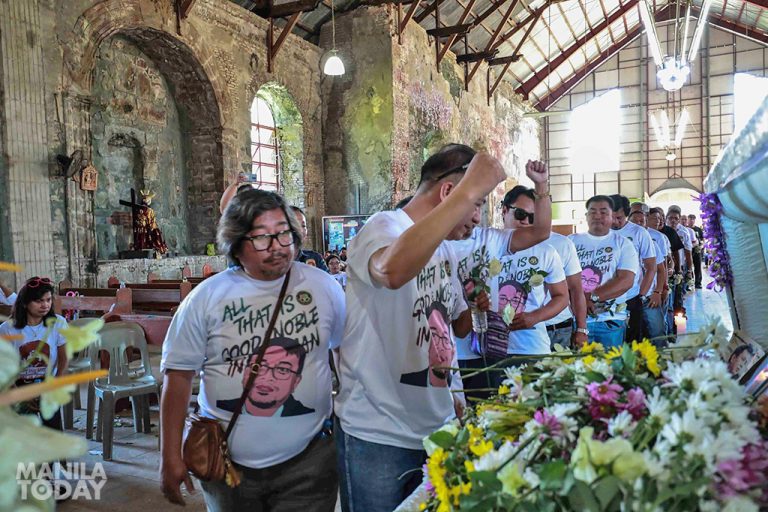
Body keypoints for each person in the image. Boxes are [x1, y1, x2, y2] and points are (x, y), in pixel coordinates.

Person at [335, 145, 550, 512]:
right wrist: (469, 190)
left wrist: (472, 305)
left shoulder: (447, 250)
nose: (477, 218)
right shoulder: (384, 226)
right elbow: (390, 271)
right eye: (477, 203)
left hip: (437, 423)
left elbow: (458, 328)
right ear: (450, 193)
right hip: (381, 433)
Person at [160, 190, 345, 510]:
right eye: (261, 237)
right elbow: (177, 378)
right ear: (236, 242)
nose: (277, 247)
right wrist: (169, 456)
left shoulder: (322, 286)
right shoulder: (206, 298)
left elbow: (343, 351)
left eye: (284, 233)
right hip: (228, 466)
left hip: (310, 461)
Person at [450, 179, 555, 396]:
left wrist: (541, 185)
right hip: (452, 351)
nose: (476, 216)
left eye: (479, 206)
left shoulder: (491, 239)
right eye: (470, 206)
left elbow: (541, 232)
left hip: (488, 349)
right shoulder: (435, 243)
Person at [494, 186, 568, 369]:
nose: (526, 221)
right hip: (487, 347)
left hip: (531, 347)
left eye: (533, 217)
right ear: (504, 210)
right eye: (520, 214)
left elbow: (562, 297)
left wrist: (535, 317)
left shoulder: (547, 252)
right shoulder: (485, 244)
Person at [568, 196, 638, 348]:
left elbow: (626, 280)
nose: (597, 216)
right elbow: (559, 278)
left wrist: (591, 297)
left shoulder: (623, 244)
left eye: (603, 212)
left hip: (609, 322)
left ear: (612, 216)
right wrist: (579, 301)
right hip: (572, 321)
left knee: (610, 369)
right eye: (592, 211)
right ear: (586, 216)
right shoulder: (570, 242)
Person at [0, 277, 68, 429]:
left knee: (53, 431)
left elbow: (64, 358)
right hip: (19, 385)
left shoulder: (58, 323)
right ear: (25, 303)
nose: (45, 305)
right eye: (38, 301)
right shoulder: (7, 329)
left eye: (48, 300)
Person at [609, 195, 656, 345]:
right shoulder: (600, 232)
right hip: (606, 299)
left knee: (633, 341)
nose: (615, 222)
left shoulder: (639, 233)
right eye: (611, 217)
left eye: (619, 218)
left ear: (627, 215)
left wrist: (641, 295)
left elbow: (651, 267)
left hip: (632, 297)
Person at [629, 205, 668, 343]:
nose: (638, 224)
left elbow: (661, 269)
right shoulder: (624, 242)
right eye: (635, 221)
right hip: (630, 298)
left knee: (657, 332)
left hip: (649, 297)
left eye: (642, 222)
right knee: (634, 335)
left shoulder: (653, 243)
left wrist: (658, 291)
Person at [291, 206, 330, 272]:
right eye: (295, 225)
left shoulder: (315, 258)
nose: (300, 230)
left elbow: (327, 281)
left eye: (303, 226)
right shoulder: (273, 262)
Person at [688, 214, 704, 288]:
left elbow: (702, 240)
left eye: (693, 219)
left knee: (697, 267)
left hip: (697, 250)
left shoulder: (698, 229)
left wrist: (701, 246)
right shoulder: (686, 229)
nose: (691, 220)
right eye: (690, 219)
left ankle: (698, 283)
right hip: (689, 250)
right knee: (689, 266)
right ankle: (689, 283)